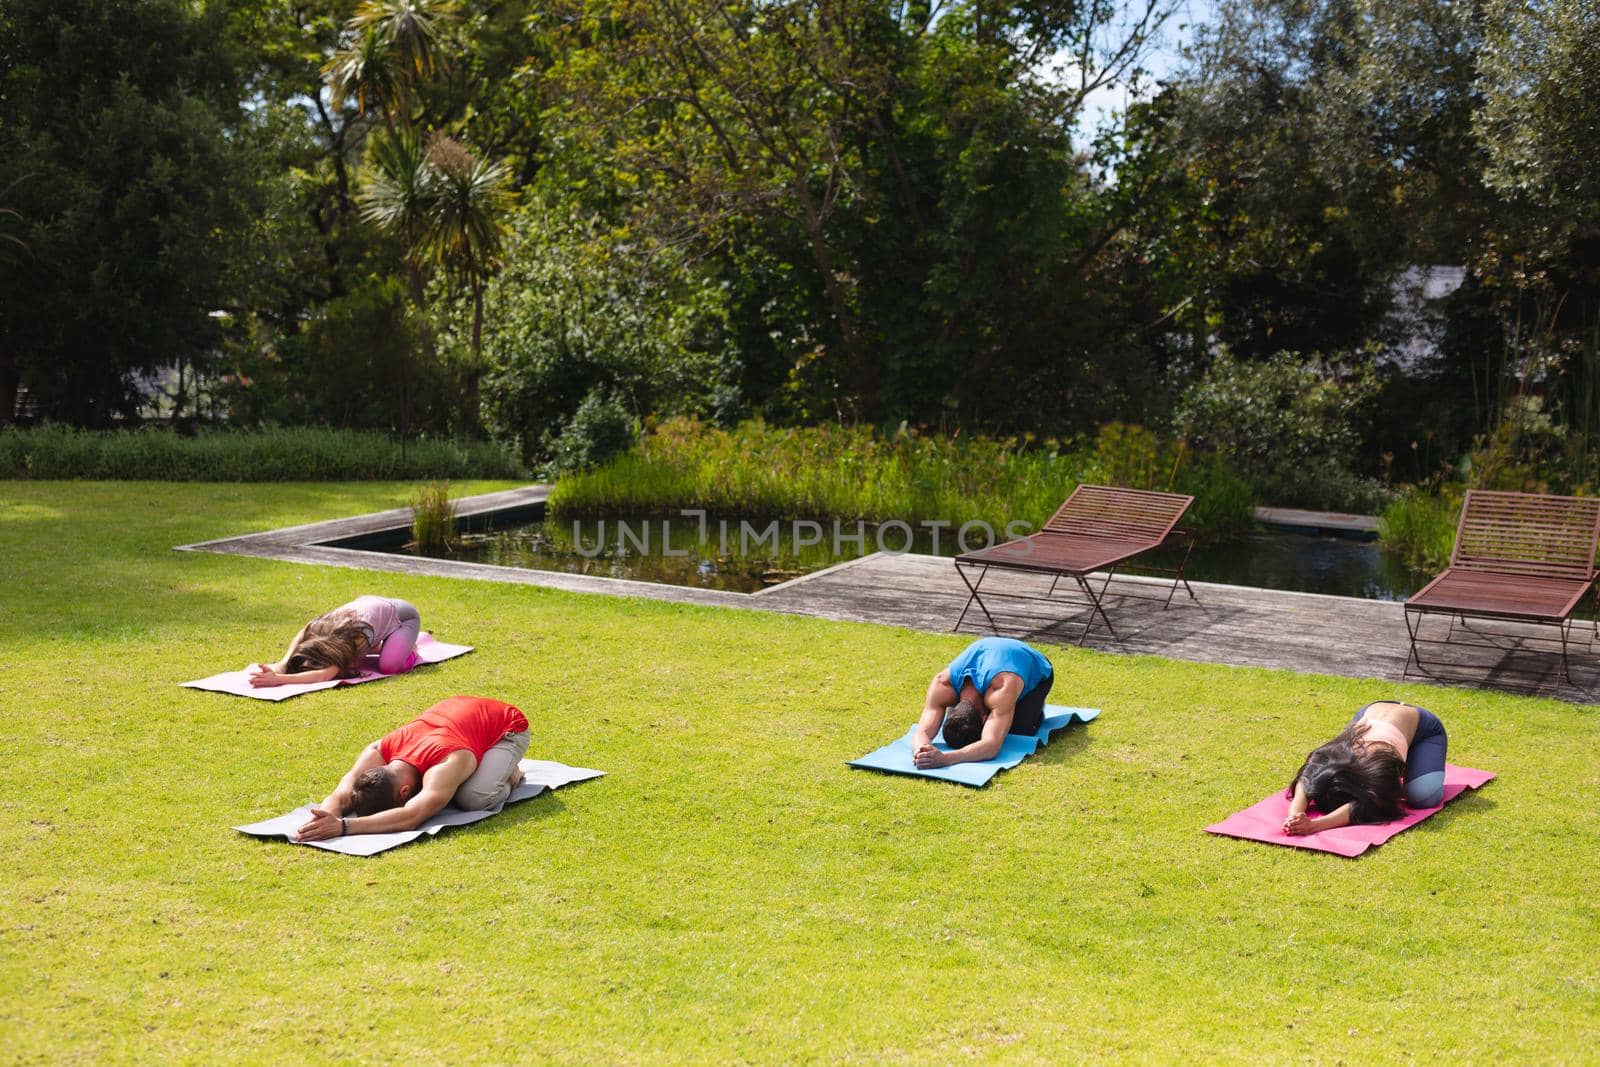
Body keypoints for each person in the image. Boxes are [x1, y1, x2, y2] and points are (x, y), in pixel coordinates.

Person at [294, 694, 531, 841]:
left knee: (473, 799)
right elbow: (341, 793)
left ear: (405, 792)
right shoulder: (378, 750)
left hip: (508, 728)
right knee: (449, 793)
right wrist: (325, 818)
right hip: (457, 714)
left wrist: (343, 827)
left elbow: (412, 817)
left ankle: (512, 773)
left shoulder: (445, 763)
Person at [1283, 700, 1448, 835]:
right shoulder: (1334, 755)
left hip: (1422, 727)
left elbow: (1368, 804)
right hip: (1371, 712)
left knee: (1423, 796)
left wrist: (1314, 825)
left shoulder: (1377, 769)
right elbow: (1308, 779)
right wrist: (1294, 817)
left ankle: (1416, 753)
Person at [910, 636, 1055, 769]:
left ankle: (1035, 713)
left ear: (984, 718)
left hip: (1036, 666)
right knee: (963, 728)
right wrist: (921, 750)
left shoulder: (1002, 686)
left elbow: (991, 746)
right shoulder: (942, 684)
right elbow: (922, 731)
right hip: (991, 650)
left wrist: (946, 759)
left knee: (1018, 730)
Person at [248, 595, 421, 688]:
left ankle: (410, 648)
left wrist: (278, 679)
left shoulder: (349, 642)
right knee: (364, 648)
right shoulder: (316, 627)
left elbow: (324, 675)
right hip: (368, 607)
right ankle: (380, 645)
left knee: (389, 666)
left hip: (402, 615)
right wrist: (283, 663)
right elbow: (301, 635)